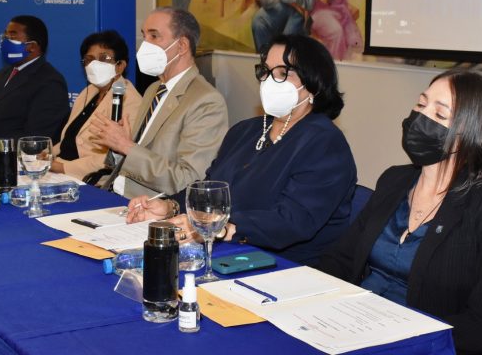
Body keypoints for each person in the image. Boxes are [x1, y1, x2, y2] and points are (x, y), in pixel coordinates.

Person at [317, 70, 482, 353]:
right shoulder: (394, 180)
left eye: (439, 114)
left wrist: (396, 333)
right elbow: (341, 260)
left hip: (420, 345)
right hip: (350, 329)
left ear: (471, 133)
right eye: (420, 104)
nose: (420, 117)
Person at [128, 34, 357, 266]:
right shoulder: (245, 131)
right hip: (228, 251)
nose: (269, 81)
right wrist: (170, 206)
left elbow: (292, 222)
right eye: (266, 72)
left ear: (313, 84)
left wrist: (219, 226)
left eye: (282, 73)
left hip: (287, 266)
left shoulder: (325, 144)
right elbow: (210, 188)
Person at [90, 7, 228, 198]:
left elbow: (188, 180)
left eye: (154, 36)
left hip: (147, 204)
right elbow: (134, 157)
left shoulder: (206, 101)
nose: (145, 45)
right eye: (144, 36)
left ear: (182, 46)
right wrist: (118, 147)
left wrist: (127, 146)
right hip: (112, 191)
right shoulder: (153, 89)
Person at [49, 31, 142, 180]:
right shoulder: (89, 91)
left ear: (120, 66)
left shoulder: (130, 101)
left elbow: (114, 157)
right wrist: (47, 155)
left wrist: (61, 167)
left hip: (88, 178)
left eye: (104, 58)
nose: (94, 64)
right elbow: (69, 139)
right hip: (58, 169)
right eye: (89, 59)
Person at [0, 15, 69, 147]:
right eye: (5, 36)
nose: (5, 42)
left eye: (12, 37)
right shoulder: (3, 74)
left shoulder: (50, 82)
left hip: (10, 156)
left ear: (32, 46)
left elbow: (36, 138)